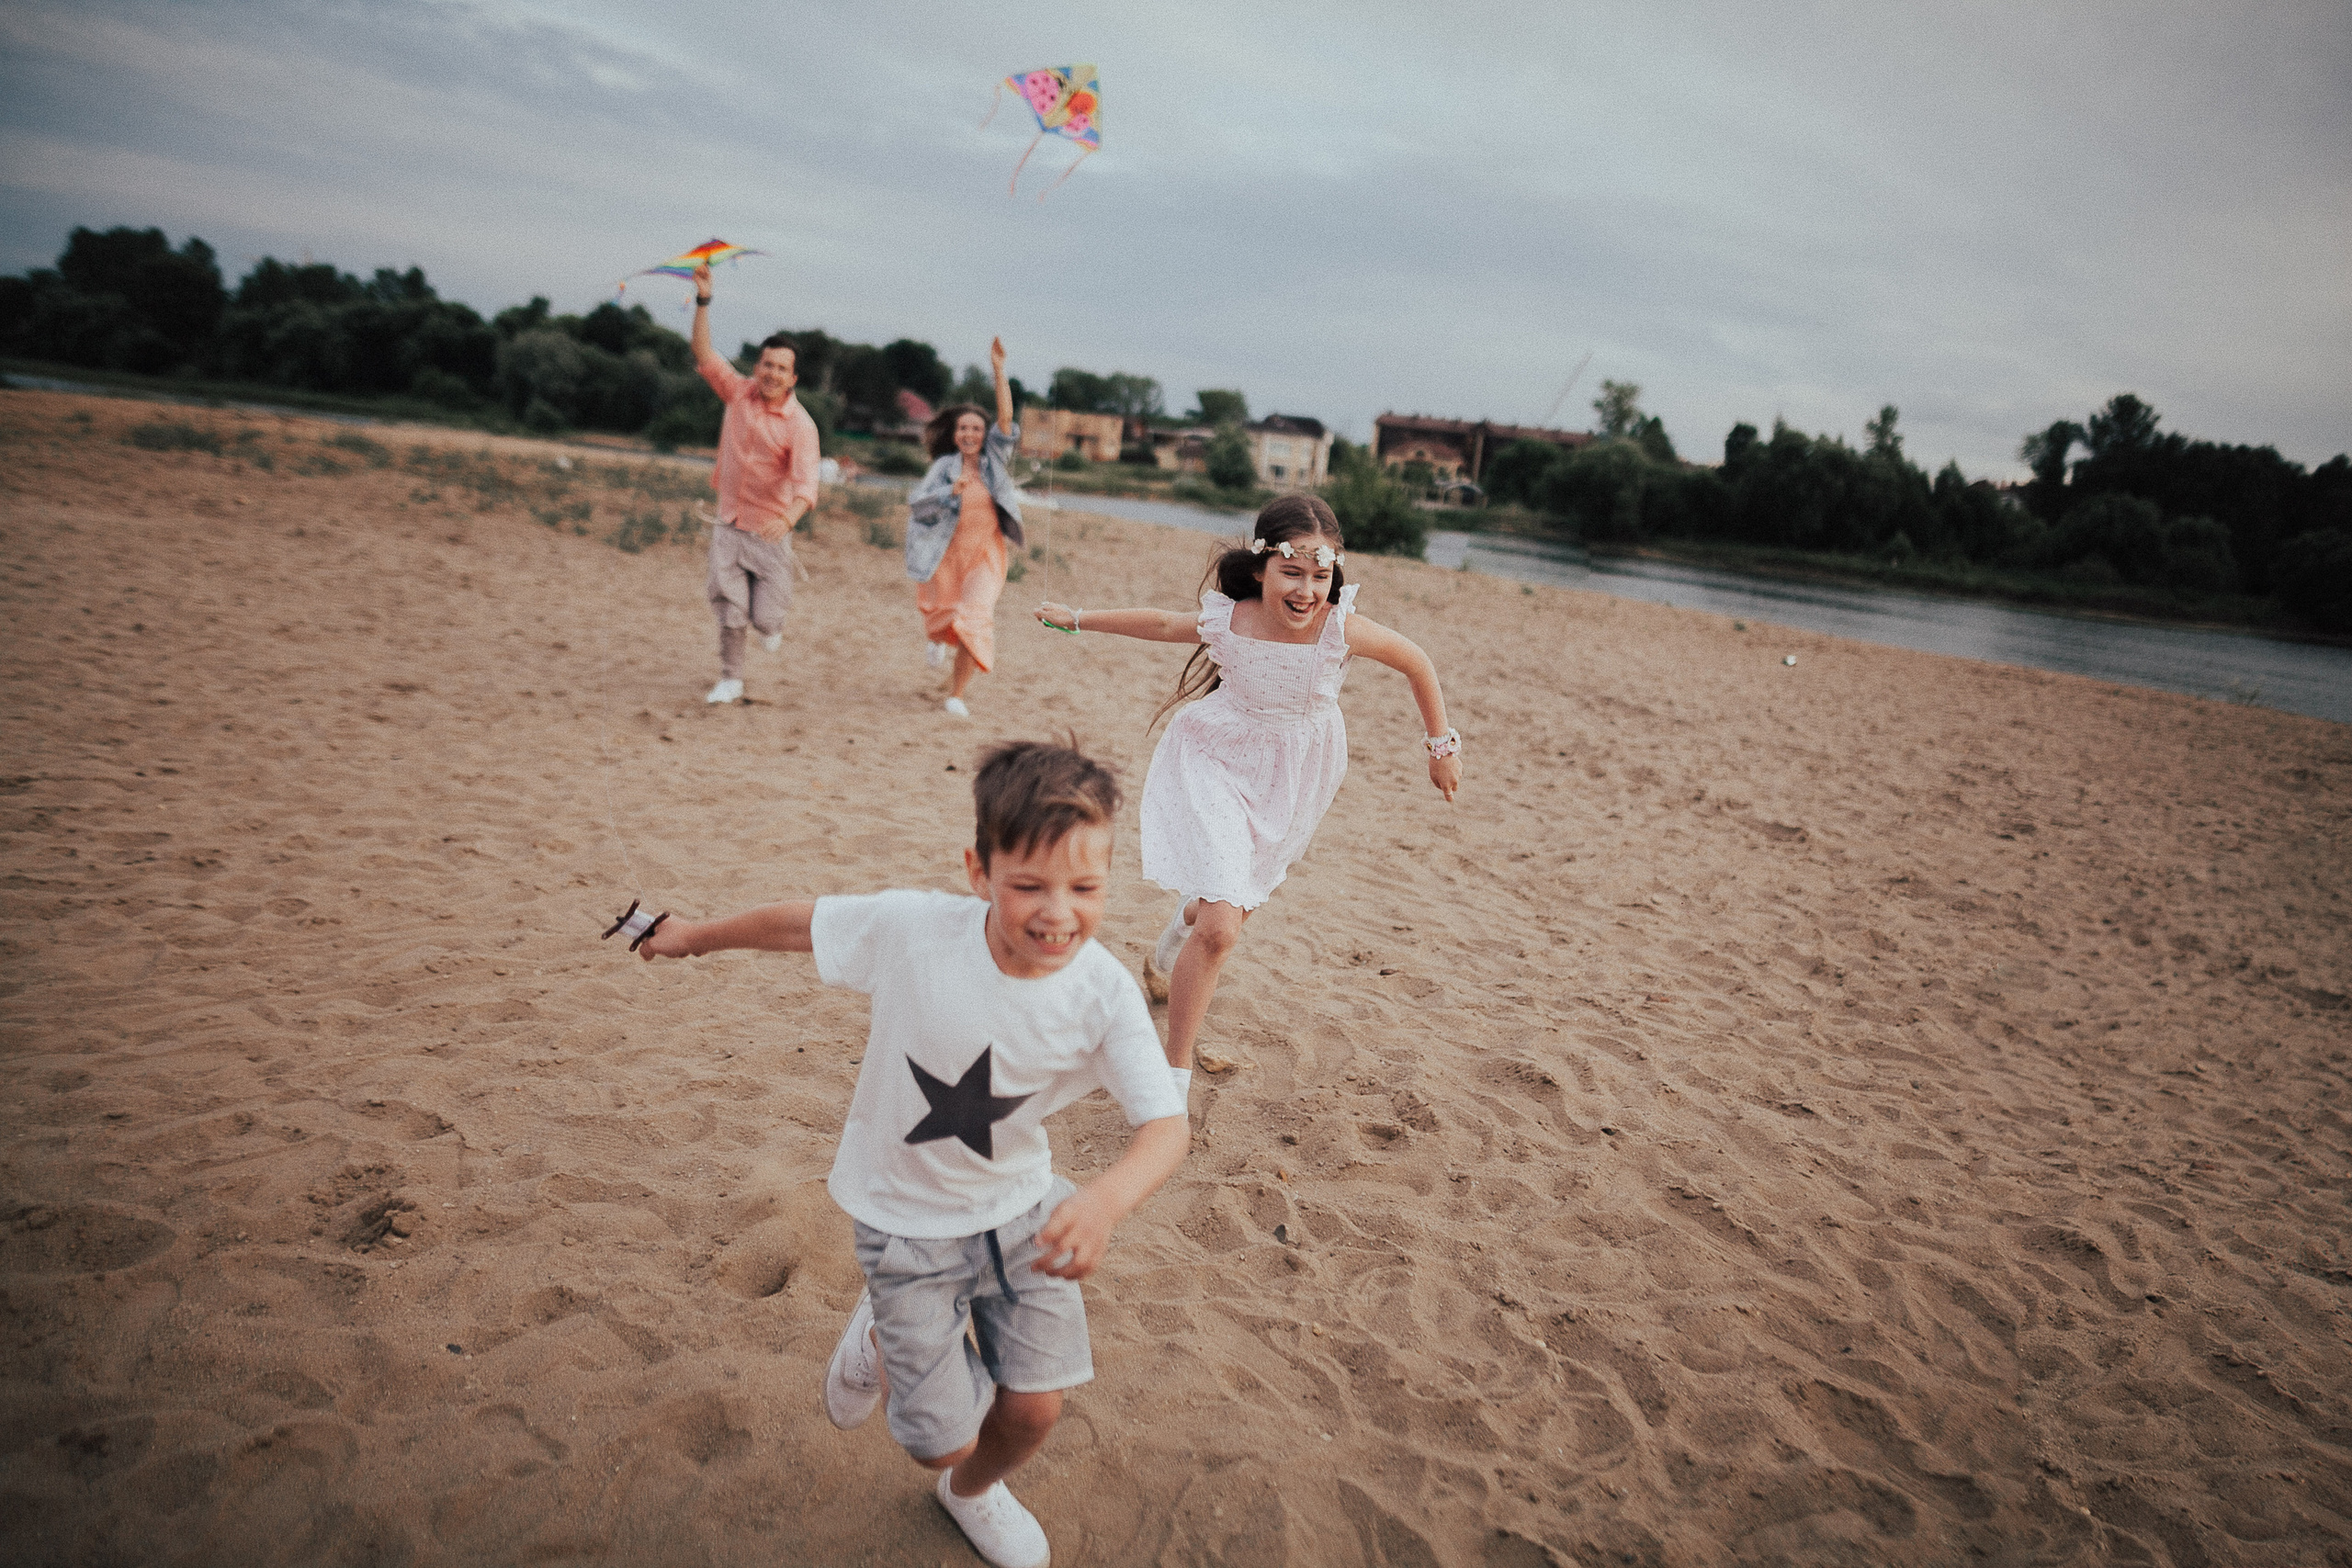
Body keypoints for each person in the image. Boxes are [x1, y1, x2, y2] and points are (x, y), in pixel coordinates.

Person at [635, 739, 1186, 1568]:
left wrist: (1105, 1200)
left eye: (1086, 887)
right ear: (978, 871)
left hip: (1024, 1211)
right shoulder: (917, 931)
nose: (1058, 911)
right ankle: (886, 1341)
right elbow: (803, 923)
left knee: (1034, 1411)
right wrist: (696, 936)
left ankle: (972, 1494)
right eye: (1029, 885)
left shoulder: (1101, 989)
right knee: (938, 1436)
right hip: (904, 1221)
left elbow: (1166, 1124)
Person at [1033, 494, 1463, 1080]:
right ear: (1260, 567)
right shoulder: (1230, 619)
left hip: (1296, 778)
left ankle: (1176, 933)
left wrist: (1441, 747)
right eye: (1291, 572)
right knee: (1220, 928)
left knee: (1229, 908)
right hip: (1216, 759)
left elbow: (1418, 663)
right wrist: (1080, 617)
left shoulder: (1341, 629)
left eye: (1320, 574)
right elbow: (1160, 623)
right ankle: (1174, 1071)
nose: (1306, 590)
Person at [690, 257, 821, 705]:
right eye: (767, 364)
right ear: (758, 365)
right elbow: (705, 356)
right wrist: (704, 301)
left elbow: (807, 487)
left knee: (764, 619)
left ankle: (773, 627)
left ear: (793, 378)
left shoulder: (800, 424)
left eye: (781, 369)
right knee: (730, 609)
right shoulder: (738, 392)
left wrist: (787, 521)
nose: (771, 374)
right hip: (729, 520)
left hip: (770, 531)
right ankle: (731, 679)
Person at [905, 338, 1023, 717]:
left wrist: (999, 370)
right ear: (954, 434)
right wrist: (946, 492)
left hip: (985, 556)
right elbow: (917, 505)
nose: (969, 434)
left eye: (976, 428)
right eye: (962, 429)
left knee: (975, 616)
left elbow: (1006, 420)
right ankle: (938, 638)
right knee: (941, 616)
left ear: (984, 434)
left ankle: (956, 694)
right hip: (944, 555)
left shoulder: (994, 462)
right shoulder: (943, 468)